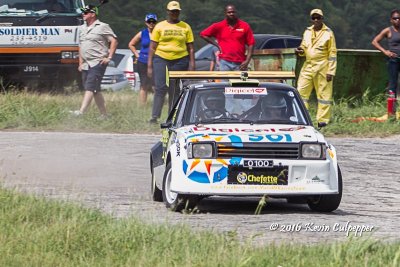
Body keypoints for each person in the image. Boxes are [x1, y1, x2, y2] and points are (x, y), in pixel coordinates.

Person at [147, 1, 195, 123]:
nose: (174, 13)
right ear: (168, 12)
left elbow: (190, 47)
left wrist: (192, 63)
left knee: (174, 89)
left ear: (179, 12)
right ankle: (154, 116)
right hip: (161, 58)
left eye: (177, 11)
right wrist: (149, 65)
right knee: (160, 87)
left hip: (180, 59)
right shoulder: (160, 26)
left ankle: (171, 117)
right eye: (172, 11)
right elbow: (152, 47)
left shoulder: (185, 26)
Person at [72, 4, 118, 117]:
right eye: (83, 12)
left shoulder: (102, 26)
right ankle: (104, 115)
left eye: (86, 12)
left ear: (93, 14)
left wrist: (109, 57)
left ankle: (81, 112)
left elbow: (114, 41)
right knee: (95, 89)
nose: (83, 14)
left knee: (90, 87)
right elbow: (81, 46)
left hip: (98, 61)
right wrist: (80, 62)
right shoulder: (82, 28)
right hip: (86, 64)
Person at [295, 9, 337, 127]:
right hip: (308, 65)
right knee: (301, 92)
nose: (316, 20)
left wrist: (331, 71)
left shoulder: (328, 33)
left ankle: (322, 121)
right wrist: (300, 51)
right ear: (311, 19)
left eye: (318, 17)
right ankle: (303, 119)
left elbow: (332, 53)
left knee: (324, 95)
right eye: (314, 18)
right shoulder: (307, 31)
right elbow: (304, 46)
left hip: (323, 66)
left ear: (322, 18)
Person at [200, 4, 255, 71]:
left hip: (240, 62)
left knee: (240, 81)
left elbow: (251, 44)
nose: (231, 14)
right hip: (224, 62)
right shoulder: (219, 26)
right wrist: (216, 45)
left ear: (236, 12)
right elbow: (203, 34)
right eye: (229, 12)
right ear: (225, 13)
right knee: (224, 82)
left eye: (233, 12)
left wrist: (247, 60)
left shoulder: (244, 26)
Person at [128, 13, 158, 105]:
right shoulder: (142, 33)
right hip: (143, 61)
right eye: (149, 21)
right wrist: (137, 55)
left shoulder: (159, 33)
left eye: (153, 21)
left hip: (156, 61)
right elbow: (131, 44)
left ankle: (157, 104)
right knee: (144, 85)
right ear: (146, 22)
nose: (151, 23)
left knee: (156, 85)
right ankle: (142, 105)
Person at [372, 9, 400, 98]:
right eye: (395, 18)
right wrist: (385, 52)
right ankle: (392, 109)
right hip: (394, 60)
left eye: (399, 18)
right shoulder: (388, 30)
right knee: (393, 84)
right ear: (391, 20)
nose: (397, 20)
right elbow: (375, 42)